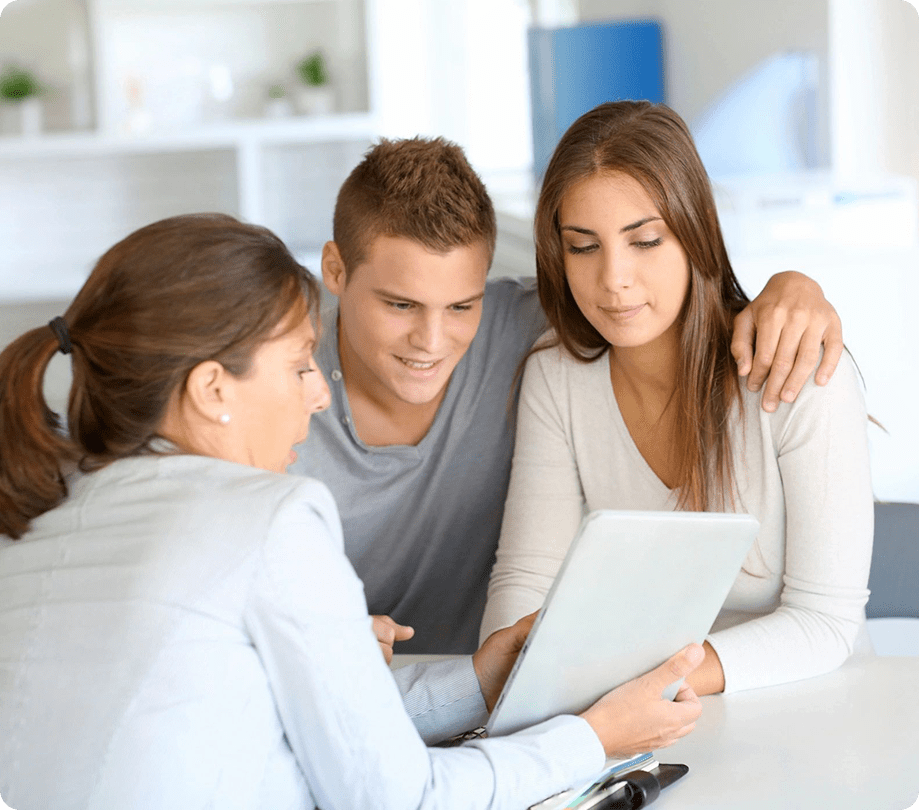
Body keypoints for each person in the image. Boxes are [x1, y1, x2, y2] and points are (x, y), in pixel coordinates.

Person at [0, 213, 706, 810]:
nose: (317, 394)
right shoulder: (268, 517)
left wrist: (477, 683)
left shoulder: (45, 521)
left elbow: (299, 729)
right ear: (214, 388)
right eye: (300, 363)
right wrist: (596, 737)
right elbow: (397, 798)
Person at [292, 136, 847, 654]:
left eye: (462, 305)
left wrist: (795, 286)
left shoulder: (534, 329)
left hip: (479, 690)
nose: (432, 342)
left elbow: (651, 301)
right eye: (400, 305)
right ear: (335, 270)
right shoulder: (271, 391)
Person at [479, 101, 874, 696]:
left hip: (796, 706)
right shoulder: (556, 376)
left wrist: (653, 685)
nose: (614, 278)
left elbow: (825, 622)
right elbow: (528, 580)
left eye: (644, 241)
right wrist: (506, 692)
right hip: (624, 715)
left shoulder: (799, 373)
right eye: (583, 247)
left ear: (696, 232)